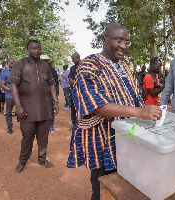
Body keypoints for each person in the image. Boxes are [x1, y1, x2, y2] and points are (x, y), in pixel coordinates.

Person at [66, 22, 162, 200]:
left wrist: (147, 113)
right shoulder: (89, 65)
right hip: (104, 139)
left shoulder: (124, 66)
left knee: (127, 184)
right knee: (103, 188)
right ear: (104, 39)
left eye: (127, 42)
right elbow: (95, 104)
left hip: (128, 137)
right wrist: (139, 112)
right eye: (119, 41)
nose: (123, 46)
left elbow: (134, 96)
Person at [8, 39, 59, 173]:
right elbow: (13, 85)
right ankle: (22, 161)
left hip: (44, 108)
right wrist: (18, 106)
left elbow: (52, 84)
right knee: (28, 136)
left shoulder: (45, 66)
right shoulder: (20, 64)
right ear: (27, 50)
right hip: (27, 109)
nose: (36, 50)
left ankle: (42, 159)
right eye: (33, 48)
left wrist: (55, 101)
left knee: (43, 136)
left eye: (38, 48)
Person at [40, 54, 59, 132]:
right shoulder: (36, 70)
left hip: (50, 94)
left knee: (51, 109)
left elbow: (56, 84)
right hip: (40, 94)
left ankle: (50, 125)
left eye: (45, 61)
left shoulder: (52, 71)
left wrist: (56, 96)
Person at [0, 59, 16, 134]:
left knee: (23, 110)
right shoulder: (4, 72)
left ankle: (25, 127)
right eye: (10, 61)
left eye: (13, 61)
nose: (12, 62)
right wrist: (10, 90)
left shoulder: (19, 72)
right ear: (8, 63)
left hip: (20, 95)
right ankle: (9, 127)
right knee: (8, 112)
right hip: (9, 95)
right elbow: (2, 84)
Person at [68, 52, 81, 131]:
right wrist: (77, 84)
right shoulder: (72, 68)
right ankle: (74, 124)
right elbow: (70, 79)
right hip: (74, 91)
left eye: (73, 59)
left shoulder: (85, 66)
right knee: (73, 108)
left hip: (83, 93)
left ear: (78, 57)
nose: (72, 61)